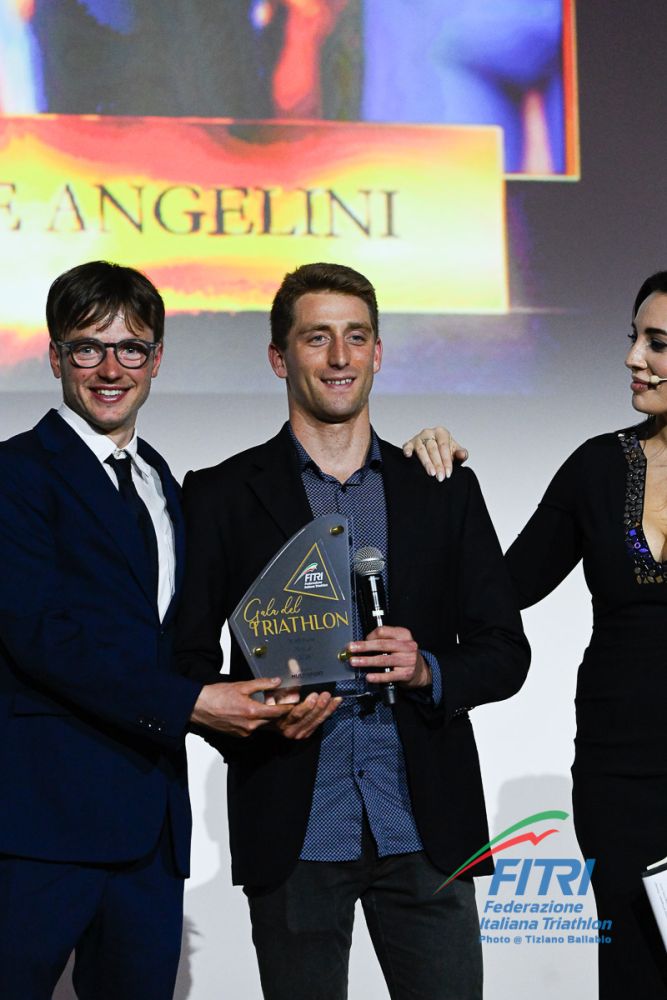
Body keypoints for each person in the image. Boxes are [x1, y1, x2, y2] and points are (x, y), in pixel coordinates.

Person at [175, 261, 530, 1000]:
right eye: (316, 338)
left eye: (356, 336)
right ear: (279, 357)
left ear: (377, 352)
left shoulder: (442, 488)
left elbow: (505, 652)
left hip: (426, 829)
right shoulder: (220, 496)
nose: (339, 357)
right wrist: (252, 715)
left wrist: (428, 668)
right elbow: (185, 664)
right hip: (295, 823)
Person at [0, 260, 291, 1000]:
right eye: (87, 348)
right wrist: (193, 703)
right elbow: (40, 636)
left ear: (156, 359)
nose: (111, 369)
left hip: (151, 829)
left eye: (130, 348)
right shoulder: (15, 474)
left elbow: (176, 639)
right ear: (55, 357)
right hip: (40, 825)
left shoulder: (164, 481)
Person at [403, 271, 667, 999]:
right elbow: (496, 591)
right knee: (635, 975)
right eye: (634, 338)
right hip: (621, 776)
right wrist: (431, 487)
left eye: (658, 344)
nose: (633, 358)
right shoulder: (597, 467)